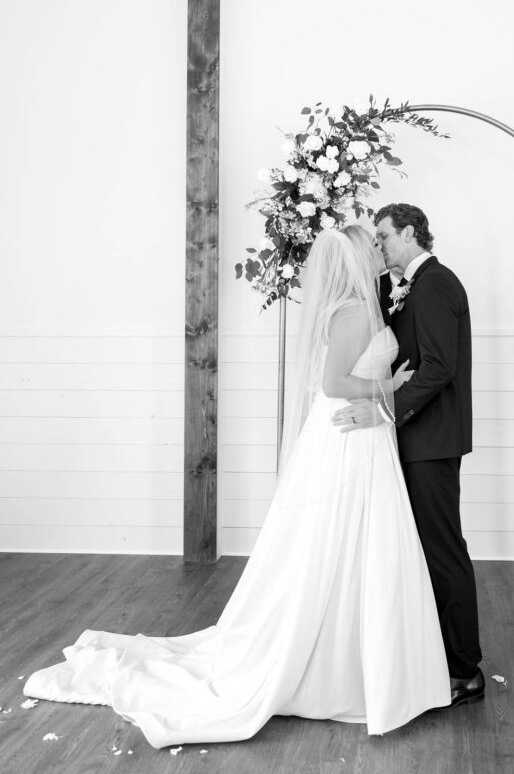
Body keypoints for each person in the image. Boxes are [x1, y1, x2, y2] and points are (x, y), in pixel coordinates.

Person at [23, 226, 451, 748]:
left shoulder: (356, 306)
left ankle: (355, 656)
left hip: (359, 434)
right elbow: (334, 385)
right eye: (373, 246)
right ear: (359, 258)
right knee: (341, 540)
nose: (378, 252)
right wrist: (393, 385)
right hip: (350, 435)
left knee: (354, 542)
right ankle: (343, 663)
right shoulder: (355, 312)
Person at [334, 204, 484, 708]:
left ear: (412, 233)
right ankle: (432, 656)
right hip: (407, 440)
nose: (378, 246)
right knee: (415, 551)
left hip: (432, 440)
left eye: (384, 237)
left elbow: (439, 367)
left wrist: (384, 410)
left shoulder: (439, 284)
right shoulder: (394, 287)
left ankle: (466, 670)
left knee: (443, 550)